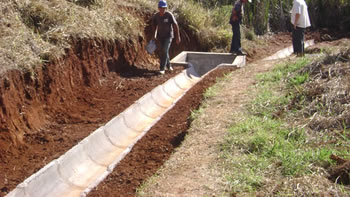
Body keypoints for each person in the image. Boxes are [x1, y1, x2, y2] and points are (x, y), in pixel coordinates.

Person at [151, 0, 181, 75]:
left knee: (164, 50)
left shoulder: (169, 15)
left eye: (164, 8)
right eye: (161, 8)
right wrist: (154, 35)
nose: (162, 9)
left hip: (169, 36)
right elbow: (154, 26)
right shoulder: (156, 16)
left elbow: (175, 26)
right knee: (165, 51)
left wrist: (178, 37)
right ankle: (169, 66)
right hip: (160, 37)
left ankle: (162, 69)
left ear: (166, 8)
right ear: (158, 8)